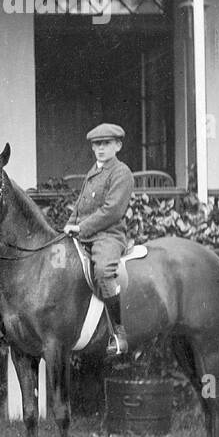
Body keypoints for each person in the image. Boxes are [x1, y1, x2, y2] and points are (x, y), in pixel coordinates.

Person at [64, 123, 135, 357]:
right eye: (97, 145)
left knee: (104, 271)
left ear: (118, 145)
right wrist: (69, 224)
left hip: (108, 235)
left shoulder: (121, 172)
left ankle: (119, 333)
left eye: (106, 144)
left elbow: (111, 211)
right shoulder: (93, 171)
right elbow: (81, 203)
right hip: (84, 234)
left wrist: (81, 228)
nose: (101, 149)